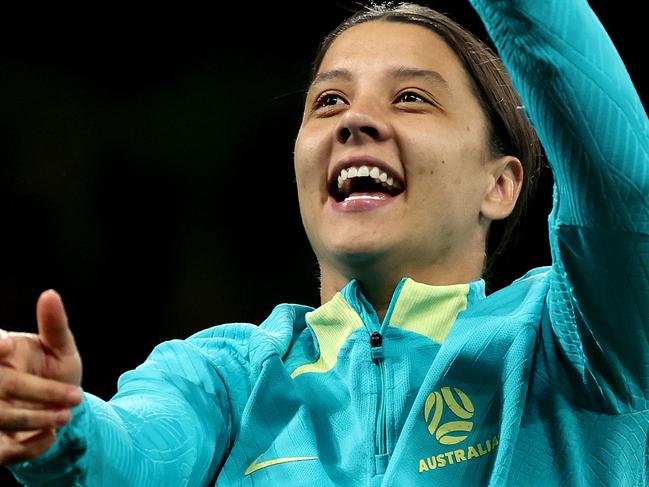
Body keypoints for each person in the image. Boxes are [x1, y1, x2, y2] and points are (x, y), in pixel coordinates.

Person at [1, 0, 647, 485]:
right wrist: (65, 426)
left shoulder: (573, 344)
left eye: (412, 97)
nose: (355, 120)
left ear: (500, 184)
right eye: (328, 100)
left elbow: (627, 188)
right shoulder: (230, 377)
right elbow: (136, 447)